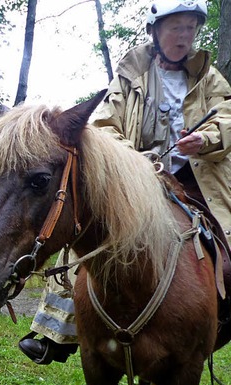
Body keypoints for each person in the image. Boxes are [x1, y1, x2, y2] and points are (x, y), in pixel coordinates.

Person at [19, 0, 231, 364]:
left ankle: (215, 324)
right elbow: (103, 127)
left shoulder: (209, 77)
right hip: (135, 178)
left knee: (227, 249)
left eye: (191, 29)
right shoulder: (131, 73)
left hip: (196, 179)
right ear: (156, 31)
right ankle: (55, 330)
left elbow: (227, 116)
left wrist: (205, 139)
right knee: (84, 236)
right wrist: (135, 162)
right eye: (176, 28)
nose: (184, 37)